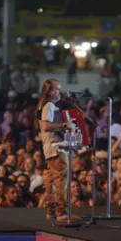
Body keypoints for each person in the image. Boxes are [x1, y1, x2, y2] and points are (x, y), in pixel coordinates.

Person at [36, 78, 76, 221]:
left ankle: (51, 211)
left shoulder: (44, 105)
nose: (59, 91)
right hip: (56, 147)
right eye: (56, 89)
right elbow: (46, 127)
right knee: (61, 180)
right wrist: (65, 125)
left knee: (53, 180)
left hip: (50, 147)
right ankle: (61, 212)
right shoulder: (49, 106)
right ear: (49, 91)